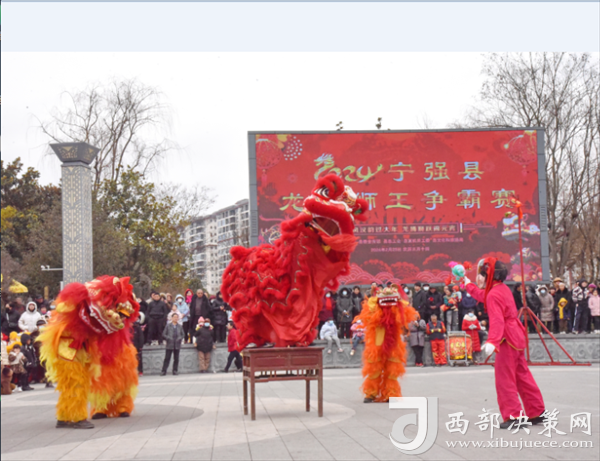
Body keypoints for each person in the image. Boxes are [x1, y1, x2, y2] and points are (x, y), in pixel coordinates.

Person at [463, 258, 545, 429]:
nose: (480, 277)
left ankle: (514, 416)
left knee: (505, 378)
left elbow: (497, 320)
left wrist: (492, 341)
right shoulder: (501, 289)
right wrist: (468, 284)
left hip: (505, 338)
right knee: (523, 376)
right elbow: (482, 295)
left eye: (482, 274)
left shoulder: (493, 294)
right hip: (516, 335)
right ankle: (536, 411)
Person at [132, 312, 145, 377]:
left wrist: (140, 346)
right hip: (131, 346)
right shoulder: (129, 328)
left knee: (139, 359)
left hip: (137, 346)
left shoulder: (138, 327)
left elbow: (141, 338)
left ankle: (140, 371)